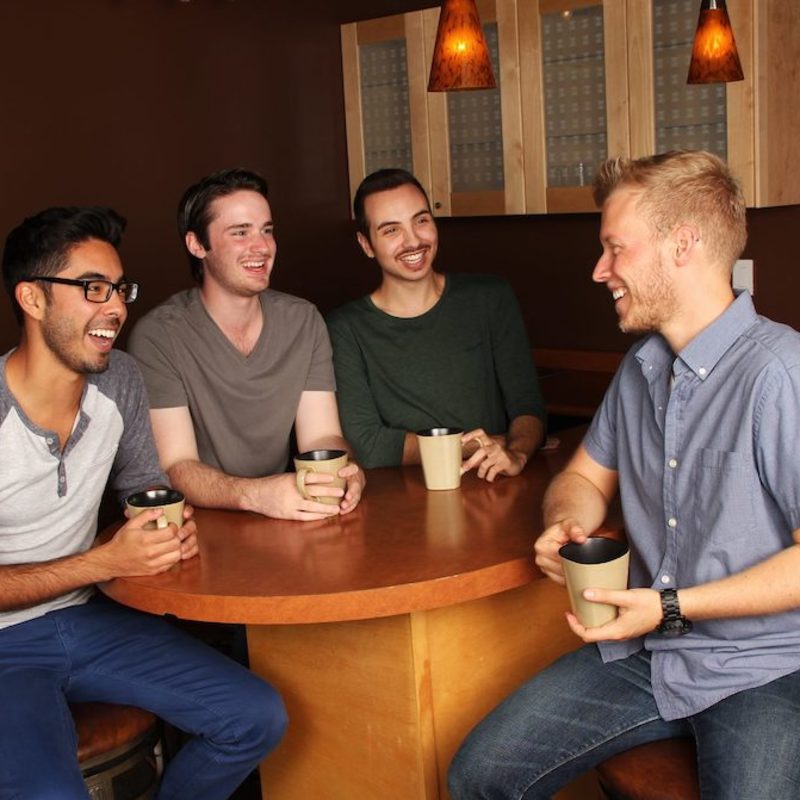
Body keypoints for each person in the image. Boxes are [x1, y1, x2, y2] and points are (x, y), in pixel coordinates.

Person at [448, 150, 800, 799]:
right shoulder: (640, 369)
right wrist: (564, 521)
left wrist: (668, 606)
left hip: (768, 669)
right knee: (477, 777)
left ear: (683, 245)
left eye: (615, 248)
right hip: (650, 654)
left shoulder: (781, 374)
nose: (599, 270)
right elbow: (582, 478)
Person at [0, 206, 287, 798]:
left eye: (119, 288)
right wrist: (106, 561)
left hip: (91, 619)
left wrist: (164, 527)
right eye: (92, 288)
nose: (116, 307)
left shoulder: (120, 380)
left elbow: (148, 493)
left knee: (256, 717)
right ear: (32, 299)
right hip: (6, 646)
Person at [128, 169, 365, 520]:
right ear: (197, 245)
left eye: (266, 230)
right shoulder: (158, 336)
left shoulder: (303, 320)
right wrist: (256, 495)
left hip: (292, 514)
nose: (262, 247)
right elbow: (177, 466)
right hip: (204, 530)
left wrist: (343, 471)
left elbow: (322, 436)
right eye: (240, 233)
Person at [326, 168, 545, 482]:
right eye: (391, 230)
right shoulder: (344, 328)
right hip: (405, 500)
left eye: (421, 220)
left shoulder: (490, 298)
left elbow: (528, 405)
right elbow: (369, 445)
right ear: (366, 244)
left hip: (495, 487)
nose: (413, 240)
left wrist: (517, 453)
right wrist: (476, 445)